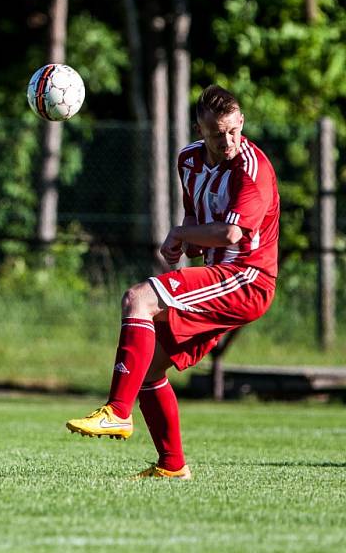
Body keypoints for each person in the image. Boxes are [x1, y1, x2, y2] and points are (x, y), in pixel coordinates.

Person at [66, 85, 279, 480]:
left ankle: (117, 411)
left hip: (246, 279)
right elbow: (200, 222)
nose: (228, 140)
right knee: (146, 369)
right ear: (200, 129)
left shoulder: (253, 169)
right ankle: (172, 465)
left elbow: (232, 235)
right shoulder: (189, 161)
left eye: (234, 130)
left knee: (138, 299)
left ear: (242, 122)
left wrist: (181, 234)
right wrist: (187, 240)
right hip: (219, 277)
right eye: (218, 133)